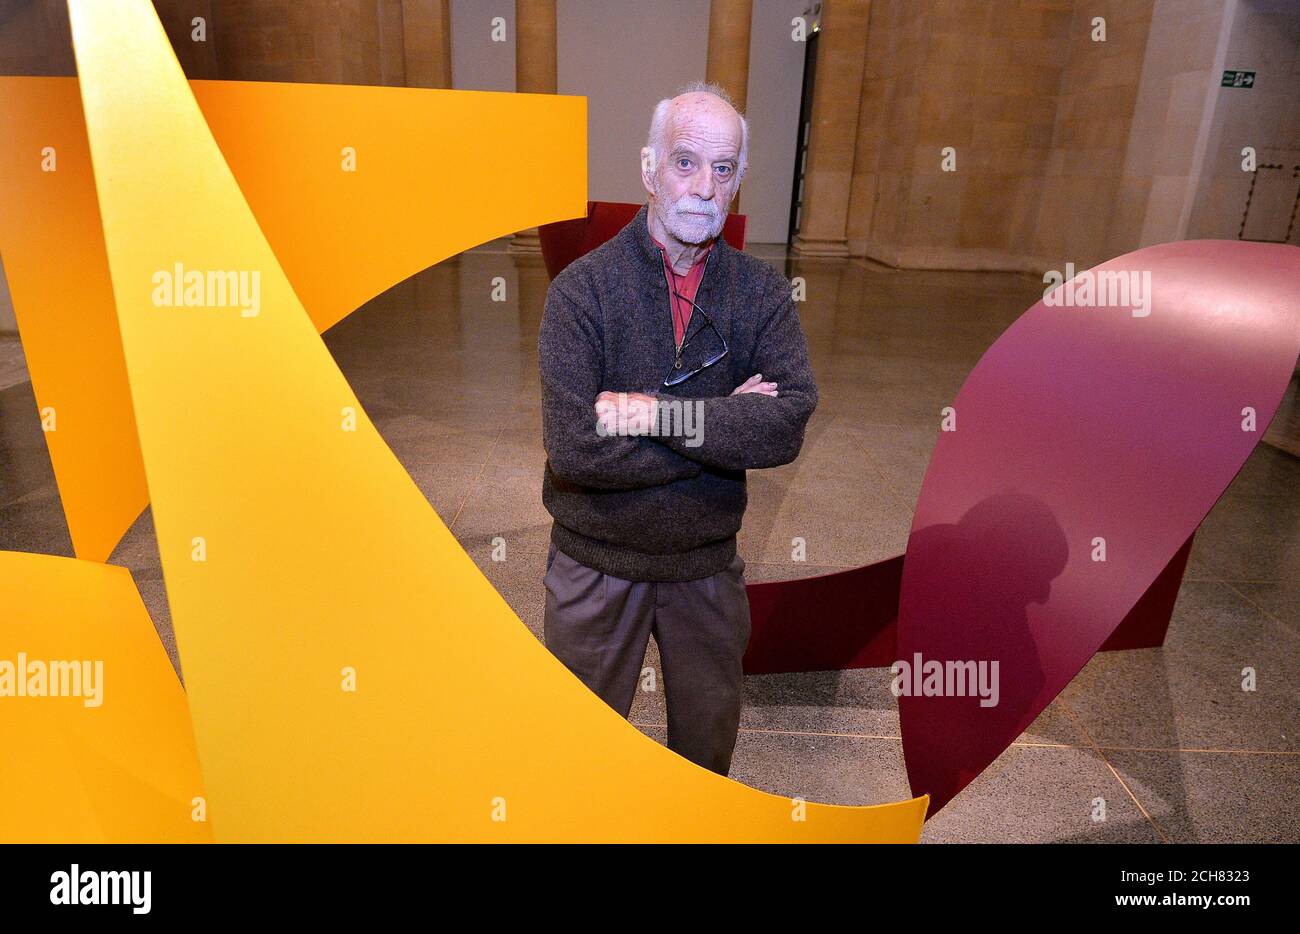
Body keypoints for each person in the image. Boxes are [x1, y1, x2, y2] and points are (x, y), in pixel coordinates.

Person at [537, 81, 818, 775]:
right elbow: (576, 449)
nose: (703, 186)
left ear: (738, 182)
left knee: (704, 763)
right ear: (648, 170)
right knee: (579, 763)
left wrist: (654, 414)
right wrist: (723, 429)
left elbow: (783, 425)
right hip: (597, 563)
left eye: (723, 169)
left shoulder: (761, 293)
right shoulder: (581, 291)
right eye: (685, 162)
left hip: (706, 565)